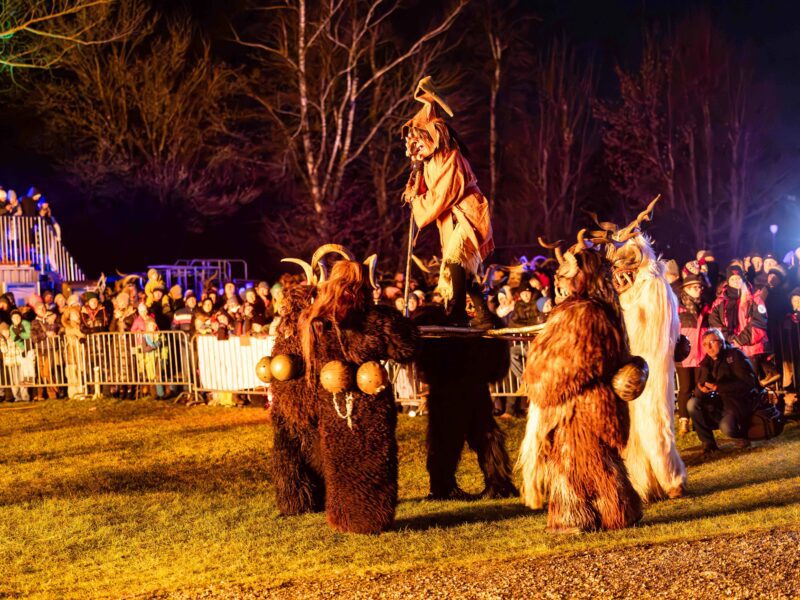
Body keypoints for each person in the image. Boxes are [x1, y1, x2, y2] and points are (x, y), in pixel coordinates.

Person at [402, 76, 493, 326]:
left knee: (455, 259)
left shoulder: (450, 157)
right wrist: (415, 181)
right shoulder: (430, 162)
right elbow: (424, 190)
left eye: (418, 140)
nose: (414, 146)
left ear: (432, 137)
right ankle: (483, 314)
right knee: (459, 269)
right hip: (451, 219)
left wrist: (419, 202)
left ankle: (458, 312)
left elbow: (443, 193)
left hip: (468, 213)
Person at [688, 329, 759, 454]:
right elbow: (699, 391)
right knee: (692, 404)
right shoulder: (706, 362)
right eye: (705, 344)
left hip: (736, 404)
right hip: (717, 404)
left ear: (721, 342)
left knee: (726, 428)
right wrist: (701, 389)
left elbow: (749, 383)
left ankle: (743, 434)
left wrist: (718, 387)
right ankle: (708, 444)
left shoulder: (735, 356)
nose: (708, 347)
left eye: (712, 342)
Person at [676, 273, 710, 436]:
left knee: (699, 387)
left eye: (700, 287)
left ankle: (699, 419)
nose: (698, 290)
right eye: (694, 287)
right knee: (685, 387)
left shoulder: (706, 305)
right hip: (684, 354)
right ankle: (684, 420)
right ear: (686, 289)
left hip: (701, 353)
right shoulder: (678, 306)